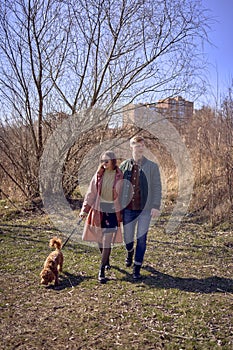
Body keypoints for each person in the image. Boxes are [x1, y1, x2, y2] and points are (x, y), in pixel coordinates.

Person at [120, 135, 162, 280]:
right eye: (137, 145)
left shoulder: (152, 166)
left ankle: (137, 268)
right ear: (131, 147)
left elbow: (157, 187)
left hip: (145, 209)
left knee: (142, 239)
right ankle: (129, 252)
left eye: (142, 145)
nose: (140, 148)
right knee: (128, 238)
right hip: (128, 209)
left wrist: (156, 206)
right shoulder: (124, 166)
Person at [79, 151, 123, 283]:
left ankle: (101, 269)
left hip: (112, 211)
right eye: (102, 161)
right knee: (99, 238)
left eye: (106, 161)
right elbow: (90, 193)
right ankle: (106, 259)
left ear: (113, 161)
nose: (104, 164)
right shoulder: (98, 175)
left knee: (107, 240)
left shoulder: (120, 175)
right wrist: (84, 210)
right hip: (98, 210)